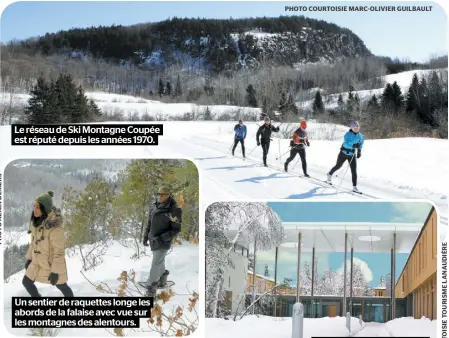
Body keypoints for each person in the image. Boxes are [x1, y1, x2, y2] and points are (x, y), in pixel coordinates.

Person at [23, 191, 74, 297]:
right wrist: (29, 259)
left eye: (38, 207)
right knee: (26, 282)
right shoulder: (36, 223)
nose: (35, 209)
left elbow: (59, 252)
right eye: (34, 206)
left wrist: (55, 272)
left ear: (45, 208)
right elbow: (33, 244)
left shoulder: (55, 228)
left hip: (50, 264)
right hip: (37, 262)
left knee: (62, 286)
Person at [143, 186, 182, 297]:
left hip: (163, 241)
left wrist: (162, 238)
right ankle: (162, 279)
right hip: (153, 240)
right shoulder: (154, 206)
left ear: (168, 196)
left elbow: (176, 229)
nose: (159, 196)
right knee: (159, 260)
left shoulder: (174, 210)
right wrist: (146, 237)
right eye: (158, 194)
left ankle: (151, 289)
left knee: (155, 264)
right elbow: (149, 223)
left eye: (162, 194)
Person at [326, 121, 364, 192]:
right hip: (343, 153)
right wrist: (353, 145)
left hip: (352, 154)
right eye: (355, 128)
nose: (356, 129)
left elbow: (361, 143)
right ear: (351, 128)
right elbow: (346, 143)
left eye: (358, 127)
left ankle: (354, 187)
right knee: (338, 166)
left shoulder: (360, 136)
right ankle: (329, 174)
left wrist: (359, 150)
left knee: (354, 170)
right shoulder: (347, 134)